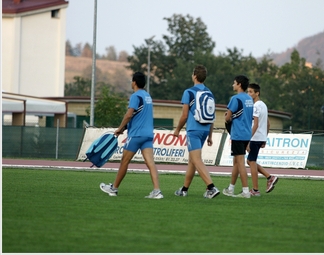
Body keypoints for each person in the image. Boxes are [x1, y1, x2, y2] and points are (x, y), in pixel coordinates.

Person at [100, 72, 163, 199]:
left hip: (136, 135)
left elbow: (129, 114)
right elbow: (140, 116)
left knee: (124, 161)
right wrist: (126, 127)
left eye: (131, 80)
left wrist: (119, 128)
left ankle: (114, 188)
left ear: (134, 82)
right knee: (151, 163)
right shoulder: (147, 96)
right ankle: (157, 191)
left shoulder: (135, 96)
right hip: (148, 135)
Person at [173, 65, 220, 199]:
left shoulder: (189, 92)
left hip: (193, 130)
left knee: (196, 160)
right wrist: (210, 135)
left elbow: (184, 115)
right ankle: (184, 189)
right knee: (192, 161)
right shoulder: (209, 92)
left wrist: (177, 130)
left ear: (194, 75)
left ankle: (211, 187)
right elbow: (211, 115)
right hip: (205, 130)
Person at [222, 75, 254, 198]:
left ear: (239, 84)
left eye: (234, 83)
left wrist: (227, 115)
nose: (233, 85)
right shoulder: (249, 99)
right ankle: (231, 188)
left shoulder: (235, 99)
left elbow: (227, 117)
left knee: (240, 163)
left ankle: (246, 191)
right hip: (246, 134)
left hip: (238, 134)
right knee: (236, 162)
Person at [246, 83, 278, 196]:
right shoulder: (263, 105)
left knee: (252, 162)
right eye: (248, 92)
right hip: (260, 137)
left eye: (251, 92)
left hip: (254, 138)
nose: (248, 94)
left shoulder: (255, 106)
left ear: (257, 93)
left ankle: (255, 190)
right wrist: (264, 138)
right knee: (249, 161)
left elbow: (255, 124)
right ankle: (269, 177)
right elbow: (268, 124)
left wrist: (248, 140)